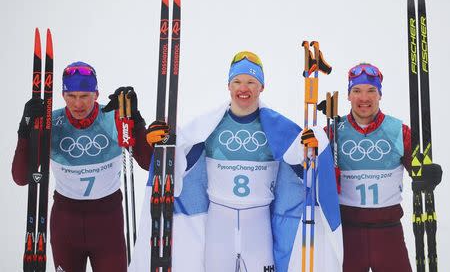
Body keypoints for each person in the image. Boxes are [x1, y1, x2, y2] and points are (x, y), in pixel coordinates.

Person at [130, 51, 343, 272]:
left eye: (251, 82)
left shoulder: (278, 128)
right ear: (229, 86)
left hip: (258, 226)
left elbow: (302, 163)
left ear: (262, 87)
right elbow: (176, 162)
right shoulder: (208, 126)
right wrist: (163, 141)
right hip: (219, 225)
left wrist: (316, 144)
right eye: (237, 81)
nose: (244, 88)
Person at [12, 61, 162, 272]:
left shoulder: (113, 118)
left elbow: (148, 164)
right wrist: (24, 131)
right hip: (66, 224)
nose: (78, 104)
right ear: (63, 95)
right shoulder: (51, 123)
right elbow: (20, 178)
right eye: (71, 96)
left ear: (96, 94)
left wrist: (135, 121)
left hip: (107, 224)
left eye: (84, 96)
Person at [327, 63, 442, 272]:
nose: (364, 98)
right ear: (348, 95)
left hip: (388, 232)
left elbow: (418, 169)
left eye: (371, 91)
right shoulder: (333, 131)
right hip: (346, 234)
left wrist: (430, 173)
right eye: (357, 91)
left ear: (380, 94)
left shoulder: (398, 130)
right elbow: (309, 172)